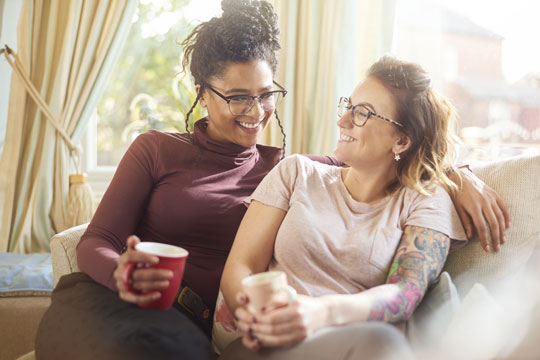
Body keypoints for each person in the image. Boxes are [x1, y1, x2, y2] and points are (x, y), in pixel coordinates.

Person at [35, 0, 509, 359]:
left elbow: (380, 156)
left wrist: (455, 172)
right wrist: (119, 272)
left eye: (266, 95)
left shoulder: (287, 167)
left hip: (192, 325)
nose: (256, 112)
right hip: (114, 299)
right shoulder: (157, 149)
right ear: (202, 95)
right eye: (238, 97)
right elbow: (97, 239)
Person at [216, 56, 469, 359]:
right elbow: (242, 265)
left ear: (401, 141)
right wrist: (256, 316)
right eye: (348, 106)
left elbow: (405, 292)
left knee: (382, 341)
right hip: (271, 344)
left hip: (353, 345)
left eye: (362, 113)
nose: (343, 121)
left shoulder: (426, 200)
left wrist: (320, 313)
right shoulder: (296, 173)